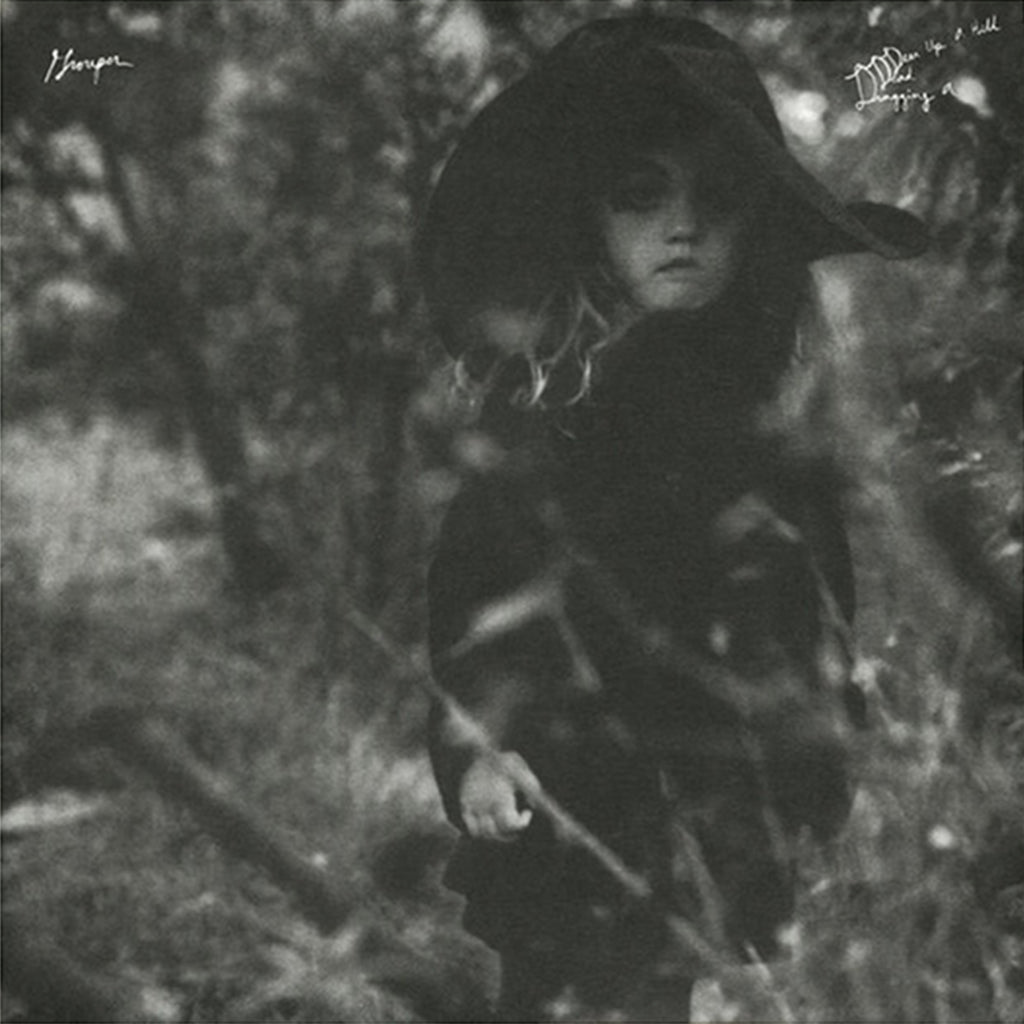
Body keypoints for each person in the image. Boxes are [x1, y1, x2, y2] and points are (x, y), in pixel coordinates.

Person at [418, 14, 926, 1022]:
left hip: (716, 804)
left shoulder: (769, 416)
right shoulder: (543, 406)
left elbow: (818, 606)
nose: (681, 226)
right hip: (563, 800)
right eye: (640, 195)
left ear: (756, 224)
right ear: (591, 219)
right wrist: (476, 747)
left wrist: (823, 774)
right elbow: (470, 595)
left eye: (716, 198)